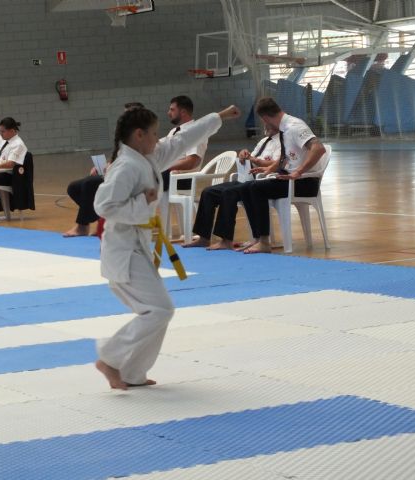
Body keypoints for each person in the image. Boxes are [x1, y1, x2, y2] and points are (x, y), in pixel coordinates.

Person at [93, 104, 241, 390]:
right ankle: (111, 358)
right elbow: (104, 206)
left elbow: (181, 141)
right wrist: (144, 201)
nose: (158, 139)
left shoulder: (146, 157)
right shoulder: (126, 166)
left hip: (137, 249)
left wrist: (218, 117)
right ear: (139, 135)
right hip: (123, 252)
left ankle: (132, 372)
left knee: (157, 311)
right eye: (154, 134)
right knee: (159, 310)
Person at [240, 97, 326, 254]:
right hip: (289, 179)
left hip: (304, 182)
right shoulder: (284, 130)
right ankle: (258, 238)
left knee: (256, 189)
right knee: (246, 187)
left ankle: (265, 242)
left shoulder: (294, 126)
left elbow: (318, 148)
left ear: (265, 118)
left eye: (263, 121)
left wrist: (298, 171)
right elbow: (286, 158)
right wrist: (270, 170)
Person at [183, 125, 282, 250]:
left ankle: (226, 240)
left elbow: (277, 163)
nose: (265, 126)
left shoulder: (281, 142)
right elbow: (250, 159)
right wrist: (243, 156)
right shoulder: (263, 141)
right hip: (247, 178)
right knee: (208, 192)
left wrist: (255, 160)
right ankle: (203, 237)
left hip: (262, 181)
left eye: (267, 122)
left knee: (228, 192)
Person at [63, 102, 144, 237]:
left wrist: (115, 168)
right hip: (115, 173)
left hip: (129, 177)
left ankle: (82, 226)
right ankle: (103, 218)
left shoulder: (142, 136)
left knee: (90, 184)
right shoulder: (125, 136)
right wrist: (105, 166)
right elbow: (118, 157)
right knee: (74, 187)